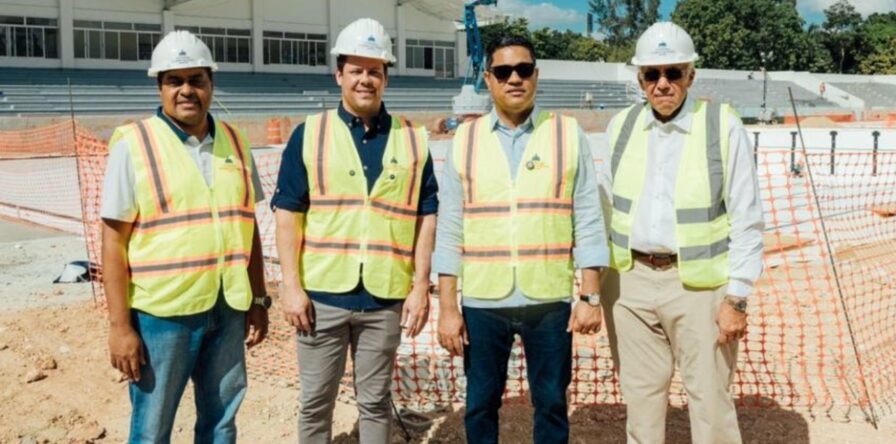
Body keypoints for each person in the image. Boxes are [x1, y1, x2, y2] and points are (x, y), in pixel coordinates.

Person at [271, 18, 438, 443]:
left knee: (376, 402)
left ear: (385, 77)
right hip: (322, 297)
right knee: (315, 403)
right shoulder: (309, 135)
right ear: (339, 74)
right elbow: (288, 213)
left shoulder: (413, 140)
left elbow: (426, 215)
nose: (366, 79)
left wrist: (421, 286)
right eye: (357, 70)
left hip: (384, 299)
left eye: (375, 70)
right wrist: (290, 286)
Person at [435, 35, 609, 444]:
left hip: (547, 301)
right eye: (503, 71)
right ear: (488, 79)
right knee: (480, 404)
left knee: (550, 402)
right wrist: (447, 305)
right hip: (483, 302)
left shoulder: (567, 134)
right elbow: (450, 228)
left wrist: (590, 296)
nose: (514, 79)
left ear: (536, 75)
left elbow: (587, 217)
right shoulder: (466, 139)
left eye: (524, 70)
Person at [101, 30, 269, 443]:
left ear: (211, 83)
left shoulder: (235, 141)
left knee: (221, 422)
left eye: (196, 79)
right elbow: (112, 243)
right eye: (174, 80)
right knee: (153, 426)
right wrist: (120, 327)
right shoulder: (134, 145)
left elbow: (248, 228)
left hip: (227, 309)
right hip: (163, 317)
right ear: (159, 86)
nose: (187, 90)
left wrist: (259, 298)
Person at [602, 22, 764, 444]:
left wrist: (738, 297)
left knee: (710, 402)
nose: (662, 84)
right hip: (630, 284)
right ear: (639, 78)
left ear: (691, 75)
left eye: (673, 73)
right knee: (640, 402)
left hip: (699, 289)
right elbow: (603, 210)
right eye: (651, 75)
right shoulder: (621, 126)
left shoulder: (721, 126)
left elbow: (747, 219)